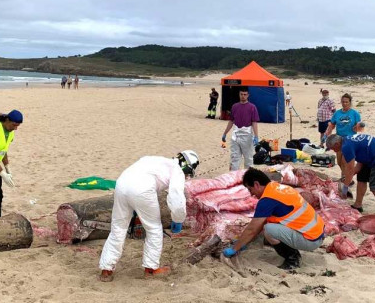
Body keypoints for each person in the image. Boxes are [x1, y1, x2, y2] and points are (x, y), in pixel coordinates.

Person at [99, 150, 199, 282]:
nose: (187, 176)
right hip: (142, 190)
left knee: (118, 227)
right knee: (154, 229)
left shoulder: (155, 159)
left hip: (121, 185)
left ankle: (106, 270)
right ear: (187, 166)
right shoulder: (177, 171)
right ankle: (151, 269)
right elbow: (176, 197)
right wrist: (178, 219)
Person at [222, 168, 324, 270]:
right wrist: (244, 241)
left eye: (250, 189)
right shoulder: (278, 188)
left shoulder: (268, 199)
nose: (251, 194)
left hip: (311, 239)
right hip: (317, 233)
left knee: (269, 230)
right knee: (268, 227)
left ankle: (293, 259)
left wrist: (235, 248)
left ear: (256, 184)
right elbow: (258, 225)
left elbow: (252, 229)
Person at [326, 134, 375, 215]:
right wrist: (346, 177)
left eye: (333, 148)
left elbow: (350, 169)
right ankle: (358, 205)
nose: (334, 151)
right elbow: (357, 167)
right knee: (361, 178)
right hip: (368, 157)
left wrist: (345, 188)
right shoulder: (347, 140)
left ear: (337, 144)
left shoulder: (346, 147)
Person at [221, 87, 259, 171]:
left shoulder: (252, 107)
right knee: (235, 158)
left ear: (248, 95)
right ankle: (233, 177)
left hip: (247, 135)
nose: (243, 96)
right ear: (239, 94)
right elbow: (231, 121)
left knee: (248, 159)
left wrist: (256, 136)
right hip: (236, 135)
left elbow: (254, 122)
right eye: (241, 94)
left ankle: (248, 178)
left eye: (245, 94)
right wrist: (225, 133)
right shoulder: (235, 106)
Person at [323, 93, 362, 174]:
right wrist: (326, 135)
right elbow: (332, 125)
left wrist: (358, 127)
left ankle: (346, 180)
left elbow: (359, 128)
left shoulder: (355, 114)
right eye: (343, 102)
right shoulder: (337, 113)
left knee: (345, 162)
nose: (344, 104)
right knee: (339, 162)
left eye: (346, 102)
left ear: (350, 102)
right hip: (339, 140)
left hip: (350, 140)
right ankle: (346, 177)